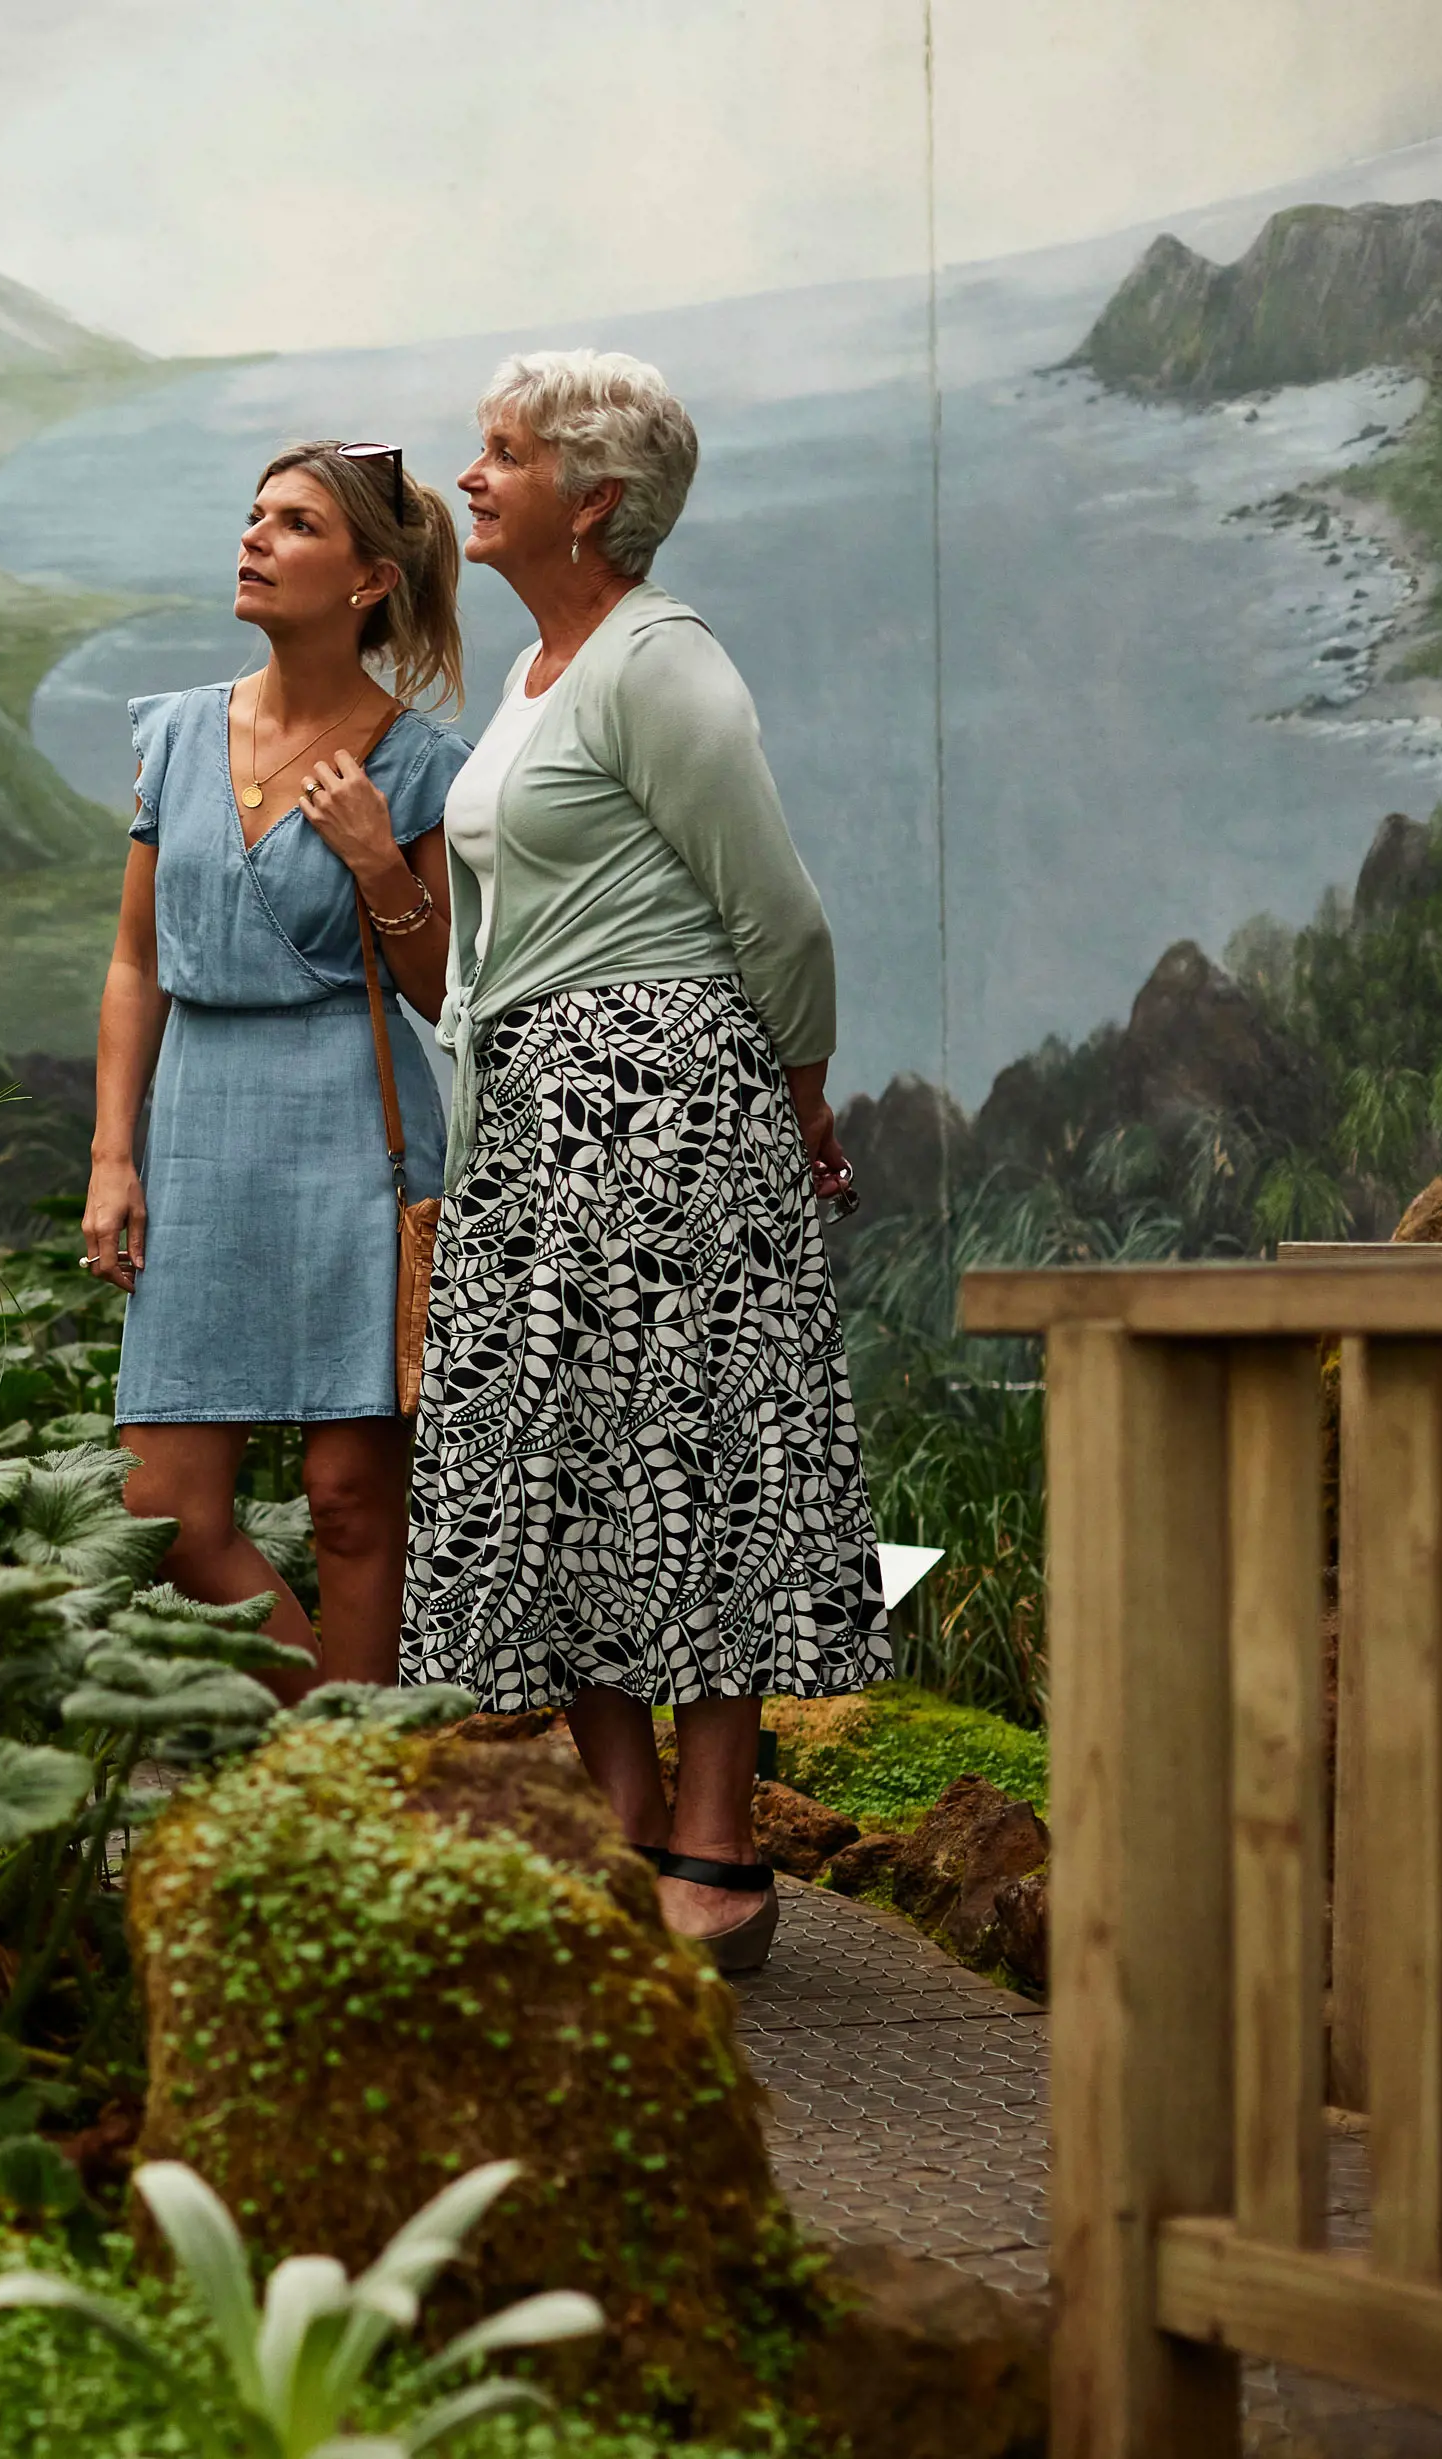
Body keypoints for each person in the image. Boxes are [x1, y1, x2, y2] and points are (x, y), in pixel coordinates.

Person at [396, 351, 888, 1974]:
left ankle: (719, 1825)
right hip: (538, 1116)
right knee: (565, 1461)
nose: (470, 476)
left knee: (687, 1444)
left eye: (503, 452)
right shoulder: (538, 673)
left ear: (593, 500)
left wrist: (799, 1096)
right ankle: (620, 1816)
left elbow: (780, 915)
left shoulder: (661, 662)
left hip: (668, 1101)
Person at [84, 440, 469, 1686]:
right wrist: (111, 1156)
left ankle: (353, 1799)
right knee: (162, 1505)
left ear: (366, 579)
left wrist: (373, 858)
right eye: (253, 514)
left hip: (355, 1132)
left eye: (294, 524)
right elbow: (135, 962)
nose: (253, 538)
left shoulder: (414, 765)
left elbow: (436, 991)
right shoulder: (180, 733)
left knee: (352, 1498)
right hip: (197, 1129)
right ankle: (338, 1758)